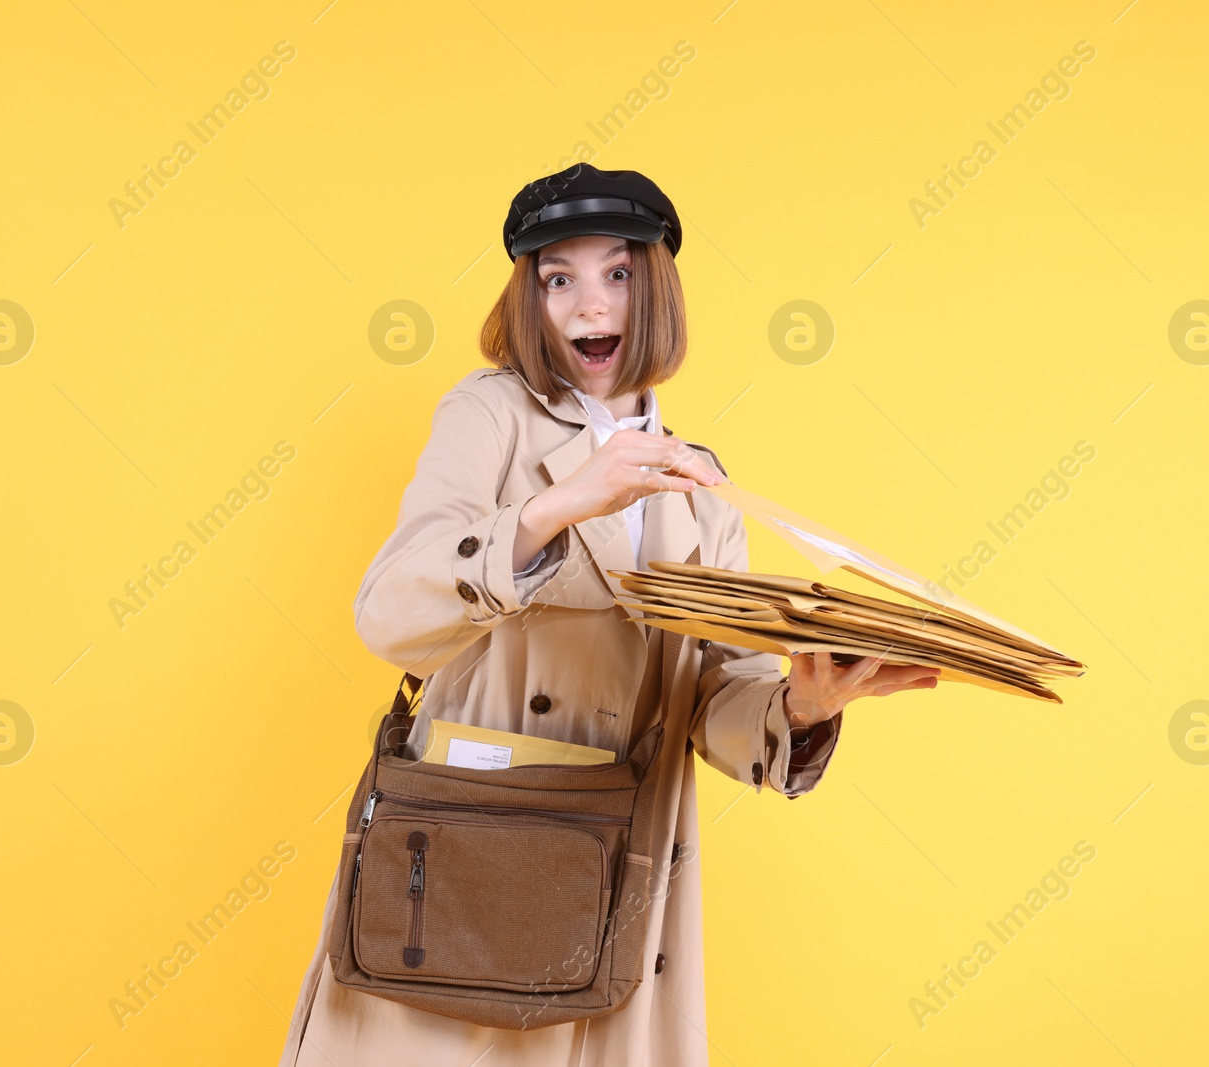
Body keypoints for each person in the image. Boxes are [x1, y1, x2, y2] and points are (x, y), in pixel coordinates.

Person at [279, 163, 940, 1066]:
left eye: (618, 273)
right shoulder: (490, 415)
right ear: (531, 296)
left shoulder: (701, 483)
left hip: (625, 874)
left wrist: (804, 706)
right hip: (477, 859)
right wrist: (558, 507)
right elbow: (389, 617)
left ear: (657, 287)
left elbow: (716, 695)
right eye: (559, 278)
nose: (590, 305)